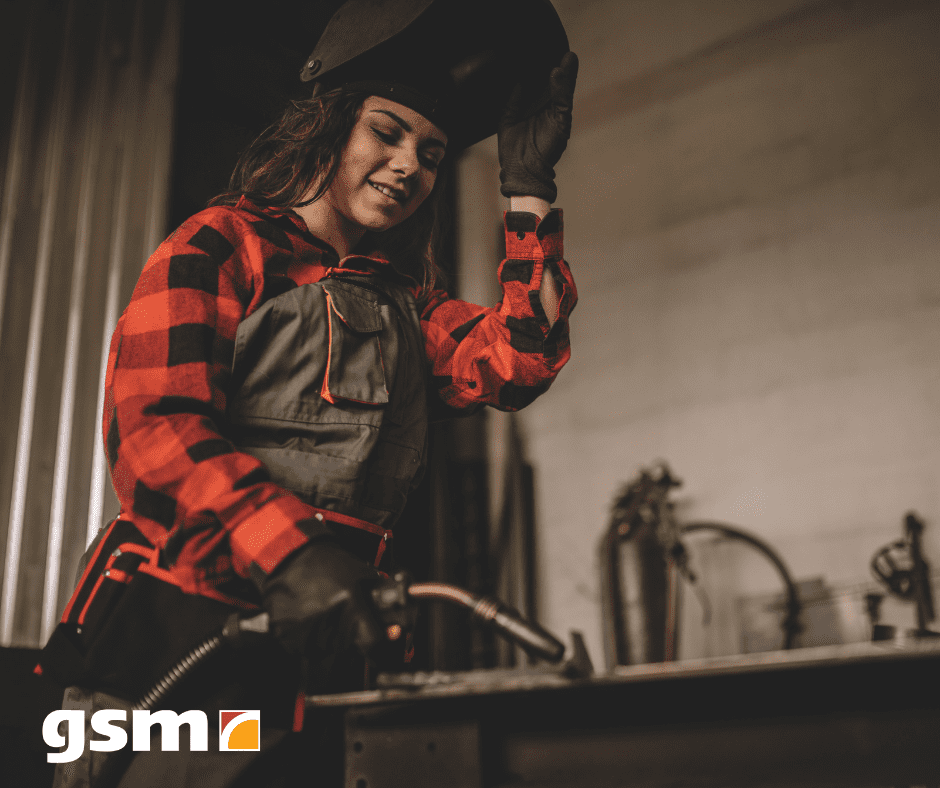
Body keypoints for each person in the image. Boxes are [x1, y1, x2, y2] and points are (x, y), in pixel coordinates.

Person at [41, 0, 578, 784]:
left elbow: (517, 363)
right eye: (386, 132)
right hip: (167, 648)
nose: (408, 167)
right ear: (329, 125)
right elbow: (155, 430)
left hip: (312, 647)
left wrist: (528, 193)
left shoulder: (404, 305)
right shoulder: (221, 244)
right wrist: (293, 554)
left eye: (431, 154)